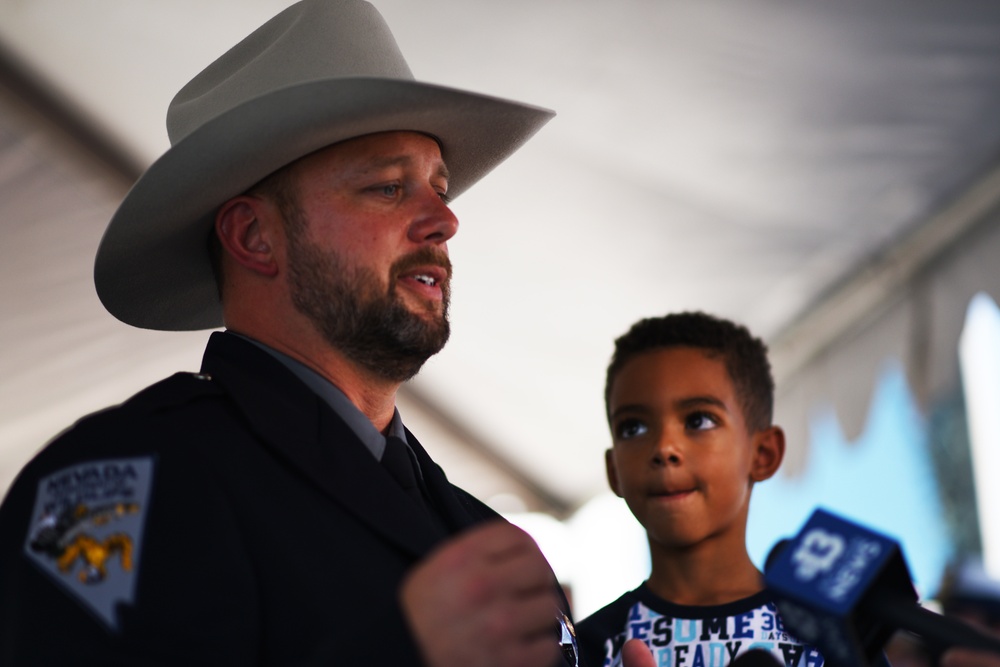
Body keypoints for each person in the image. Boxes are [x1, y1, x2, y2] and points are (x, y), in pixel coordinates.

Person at [0, 1, 571, 665]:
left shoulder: (491, 535)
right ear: (253, 236)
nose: (444, 220)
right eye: (388, 186)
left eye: (439, 189)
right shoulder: (113, 485)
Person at [575, 311, 825, 666]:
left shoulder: (831, 638)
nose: (664, 448)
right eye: (633, 428)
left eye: (698, 420)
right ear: (613, 469)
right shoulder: (586, 649)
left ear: (763, 454)